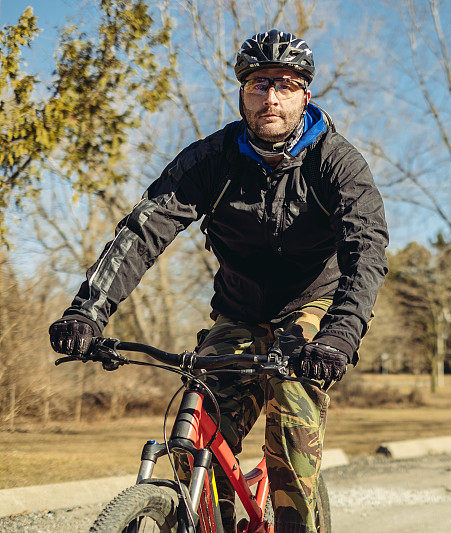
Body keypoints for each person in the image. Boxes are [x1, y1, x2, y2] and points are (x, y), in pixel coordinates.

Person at [48, 29, 389, 533]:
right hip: (238, 311)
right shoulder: (212, 160)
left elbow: (367, 251)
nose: (270, 97)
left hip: (311, 310)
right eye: (258, 83)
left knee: (292, 425)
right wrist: (86, 311)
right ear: (241, 93)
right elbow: (143, 231)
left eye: (285, 84)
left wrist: (341, 335)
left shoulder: (336, 163)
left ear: (305, 95)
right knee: (195, 435)